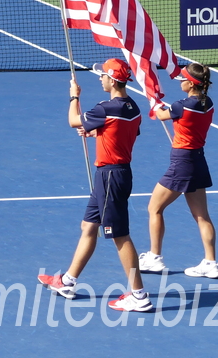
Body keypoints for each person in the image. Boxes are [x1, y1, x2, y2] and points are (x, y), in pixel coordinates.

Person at [38, 58, 153, 312]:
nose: (100, 78)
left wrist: (73, 97)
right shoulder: (133, 107)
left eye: (102, 75)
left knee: (119, 235)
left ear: (112, 80)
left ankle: (139, 295)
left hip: (110, 176)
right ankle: (67, 281)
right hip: (113, 175)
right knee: (88, 225)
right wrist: (97, 133)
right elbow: (126, 133)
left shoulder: (105, 107)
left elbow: (73, 120)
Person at [139, 63, 218, 278]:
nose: (180, 82)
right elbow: (172, 112)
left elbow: (160, 115)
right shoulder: (207, 103)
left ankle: (154, 258)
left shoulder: (181, 106)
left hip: (182, 163)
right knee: (202, 216)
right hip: (198, 160)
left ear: (192, 84)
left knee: (154, 208)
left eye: (182, 79)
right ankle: (211, 262)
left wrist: (153, 99)